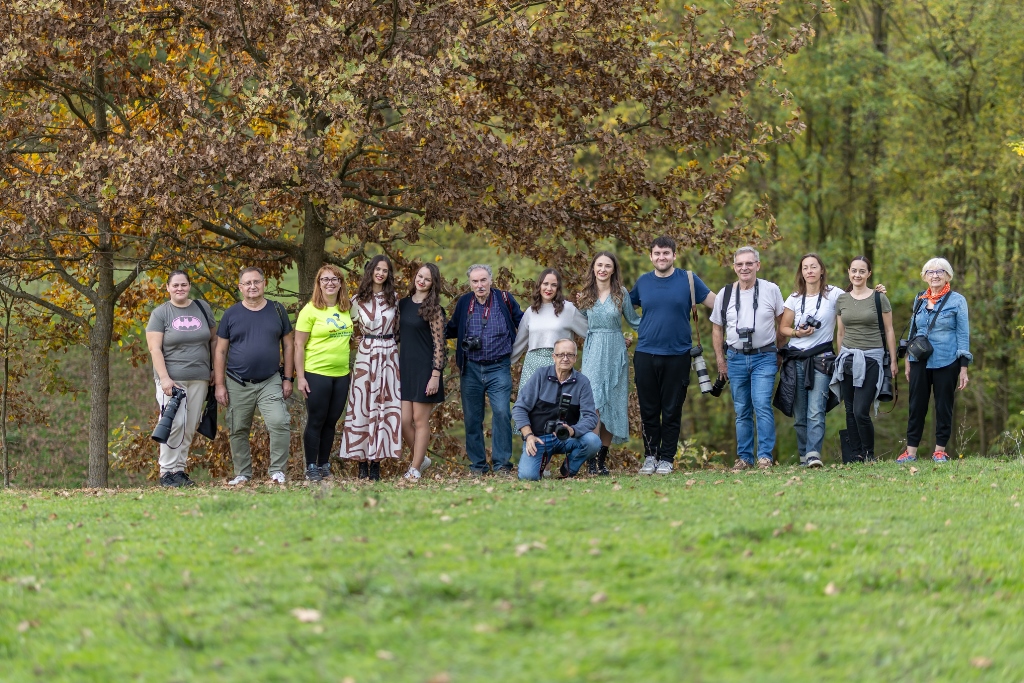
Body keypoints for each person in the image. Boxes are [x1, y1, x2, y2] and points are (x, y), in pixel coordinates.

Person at [630, 236, 715, 475]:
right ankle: (650, 457)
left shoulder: (688, 280)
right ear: (651, 256)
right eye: (657, 253)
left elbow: (716, 303)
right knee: (648, 409)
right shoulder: (643, 282)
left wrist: (743, 303)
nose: (661, 257)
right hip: (645, 353)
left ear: (674, 255)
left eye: (666, 253)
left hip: (678, 355)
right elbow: (624, 306)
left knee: (671, 410)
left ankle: (666, 458)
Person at [214, 267, 294, 485]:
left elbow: (288, 345)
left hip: (270, 380)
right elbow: (220, 351)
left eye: (256, 282)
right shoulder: (231, 314)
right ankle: (242, 474)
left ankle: (277, 471)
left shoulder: (277, 310)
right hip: (237, 382)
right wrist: (219, 384)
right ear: (240, 287)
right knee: (238, 428)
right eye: (247, 283)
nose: (252, 286)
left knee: (279, 422)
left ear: (264, 283)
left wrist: (288, 378)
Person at [711, 247, 785, 471]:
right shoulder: (724, 294)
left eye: (749, 263)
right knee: (741, 409)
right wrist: (720, 360)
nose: (744, 268)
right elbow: (716, 330)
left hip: (764, 356)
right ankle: (744, 458)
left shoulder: (771, 290)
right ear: (734, 267)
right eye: (740, 264)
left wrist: (779, 352)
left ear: (758, 265)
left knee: (762, 404)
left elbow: (782, 324)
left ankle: (764, 457)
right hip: (735, 358)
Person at [445, 264, 524, 475]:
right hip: (470, 368)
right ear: (469, 283)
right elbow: (451, 328)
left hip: (498, 366)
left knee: (501, 412)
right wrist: (427, 328)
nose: (479, 285)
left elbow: (524, 322)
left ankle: (501, 465)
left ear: (491, 280)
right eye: (475, 281)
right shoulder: (464, 302)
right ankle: (478, 466)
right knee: (472, 418)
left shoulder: (504, 299)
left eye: (483, 280)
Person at [896, 258, 972, 463]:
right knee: (916, 405)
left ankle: (940, 450)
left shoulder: (957, 300)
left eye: (940, 271)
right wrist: (907, 360)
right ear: (924, 276)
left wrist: (963, 367)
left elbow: (963, 334)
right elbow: (913, 330)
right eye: (930, 272)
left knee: (943, 406)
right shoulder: (919, 298)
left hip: (947, 360)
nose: (935, 275)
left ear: (948, 275)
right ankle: (910, 452)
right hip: (919, 359)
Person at [145, 270, 216, 488]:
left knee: (189, 425)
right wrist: (165, 379)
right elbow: (154, 348)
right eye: (175, 285)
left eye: (184, 285)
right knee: (173, 423)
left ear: (189, 286)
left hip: (200, 377)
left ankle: (179, 471)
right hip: (172, 380)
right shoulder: (161, 313)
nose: (180, 289)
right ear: (167, 288)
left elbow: (214, 341)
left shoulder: (202, 308)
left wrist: (214, 369)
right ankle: (166, 472)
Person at [576, 251, 640, 475]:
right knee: (593, 405)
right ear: (593, 268)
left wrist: (657, 325)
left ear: (614, 270)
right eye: (599, 265)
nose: (603, 269)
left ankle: (602, 461)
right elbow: (577, 324)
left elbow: (634, 321)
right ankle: (590, 461)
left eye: (607, 266)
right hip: (593, 351)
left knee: (612, 404)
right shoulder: (584, 295)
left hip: (616, 351)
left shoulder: (621, 294)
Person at [829, 255, 898, 463]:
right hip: (847, 358)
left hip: (872, 359)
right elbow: (840, 333)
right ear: (848, 272)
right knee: (849, 409)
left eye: (861, 271)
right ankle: (856, 455)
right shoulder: (842, 299)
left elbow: (889, 330)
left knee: (860, 410)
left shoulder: (879, 298)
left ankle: (869, 454)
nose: (857, 274)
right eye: (853, 270)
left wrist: (893, 361)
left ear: (868, 274)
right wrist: (840, 358)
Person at [339, 255, 402, 480]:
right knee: (363, 405)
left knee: (384, 406)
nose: (381, 273)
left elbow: (399, 330)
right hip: (366, 355)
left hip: (388, 353)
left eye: (385, 270)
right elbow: (345, 329)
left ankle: (377, 463)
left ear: (388, 274)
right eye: (377, 269)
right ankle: (361, 463)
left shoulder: (394, 298)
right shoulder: (357, 300)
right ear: (370, 272)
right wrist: (353, 341)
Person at [777, 254, 842, 469]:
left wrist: (877, 292)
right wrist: (798, 333)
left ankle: (814, 454)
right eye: (805, 268)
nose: (810, 271)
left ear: (822, 270)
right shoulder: (794, 298)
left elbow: (858, 297)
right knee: (800, 413)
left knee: (816, 410)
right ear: (801, 272)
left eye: (814, 267)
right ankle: (804, 455)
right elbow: (783, 329)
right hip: (796, 359)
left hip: (822, 359)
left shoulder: (834, 294)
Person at [294, 265, 354, 482]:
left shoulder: (346, 309)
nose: (330, 283)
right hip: (316, 373)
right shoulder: (309, 311)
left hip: (341, 375)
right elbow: (299, 346)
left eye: (335, 279)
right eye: (325, 279)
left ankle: (324, 464)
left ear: (340, 283)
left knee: (332, 421)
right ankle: (311, 466)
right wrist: (300, 377)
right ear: (318, 283)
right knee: (317, 419)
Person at [512, 339, 602, 480]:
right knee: (528, 476)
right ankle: (541, 460)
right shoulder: (540, 375)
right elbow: (519, 408)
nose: (565, 358)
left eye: (570, 355)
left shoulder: (583, 382)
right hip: (539, 438)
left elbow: (591, 417)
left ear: (575, 358)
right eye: (561, 355)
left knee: (593, 441)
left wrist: (573, 430)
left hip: (566, 437)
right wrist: (528, 435)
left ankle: (569, 468)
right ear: (554, 357)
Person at [398, 263, 447, 480]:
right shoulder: (403, 304)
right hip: (405, 368)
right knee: (402, 420)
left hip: (426, 370)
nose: (422, 281)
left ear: (433, 283)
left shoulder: (434, 309)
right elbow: (397, 336)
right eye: (420, 276)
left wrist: (435, 375)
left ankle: (415, 468)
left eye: (427, 279)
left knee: (419, 421)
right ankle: (422, 458)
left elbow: (440, 345)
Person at [512, 268, 588, 388]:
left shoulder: (568, 309)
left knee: (556, 404)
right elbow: (519, 343)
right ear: (539, 285)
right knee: (528, 405)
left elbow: (590, 333)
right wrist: (502, 365)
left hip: (559, 365)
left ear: (558, 289)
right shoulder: (530, 312)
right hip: (532, 366)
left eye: (553, 285)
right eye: (545, 284)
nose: (549, 288)